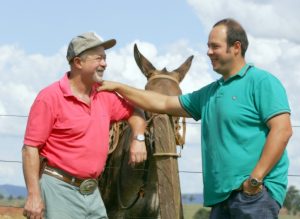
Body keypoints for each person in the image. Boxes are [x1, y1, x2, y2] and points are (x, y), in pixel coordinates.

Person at [98, 18, 293, 218]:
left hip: (254, 196)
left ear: (236, 47)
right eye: (208, 46)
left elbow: (283, 130)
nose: (208, 52)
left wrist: (255, 180)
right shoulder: (209, 93)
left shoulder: (261, 81)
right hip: (221, 197)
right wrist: (119, 87)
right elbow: (164, 103)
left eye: (215, 46)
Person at [22, 32, 147, 219]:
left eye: (105, 58)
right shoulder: (49, 98)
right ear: (78, 62)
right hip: (59, 190)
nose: (104, 64)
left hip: (91, 192)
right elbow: (30, 148)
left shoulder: (104, 96)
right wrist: (33, 195)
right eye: (99, 58)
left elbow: (136, 112)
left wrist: (138, 138)